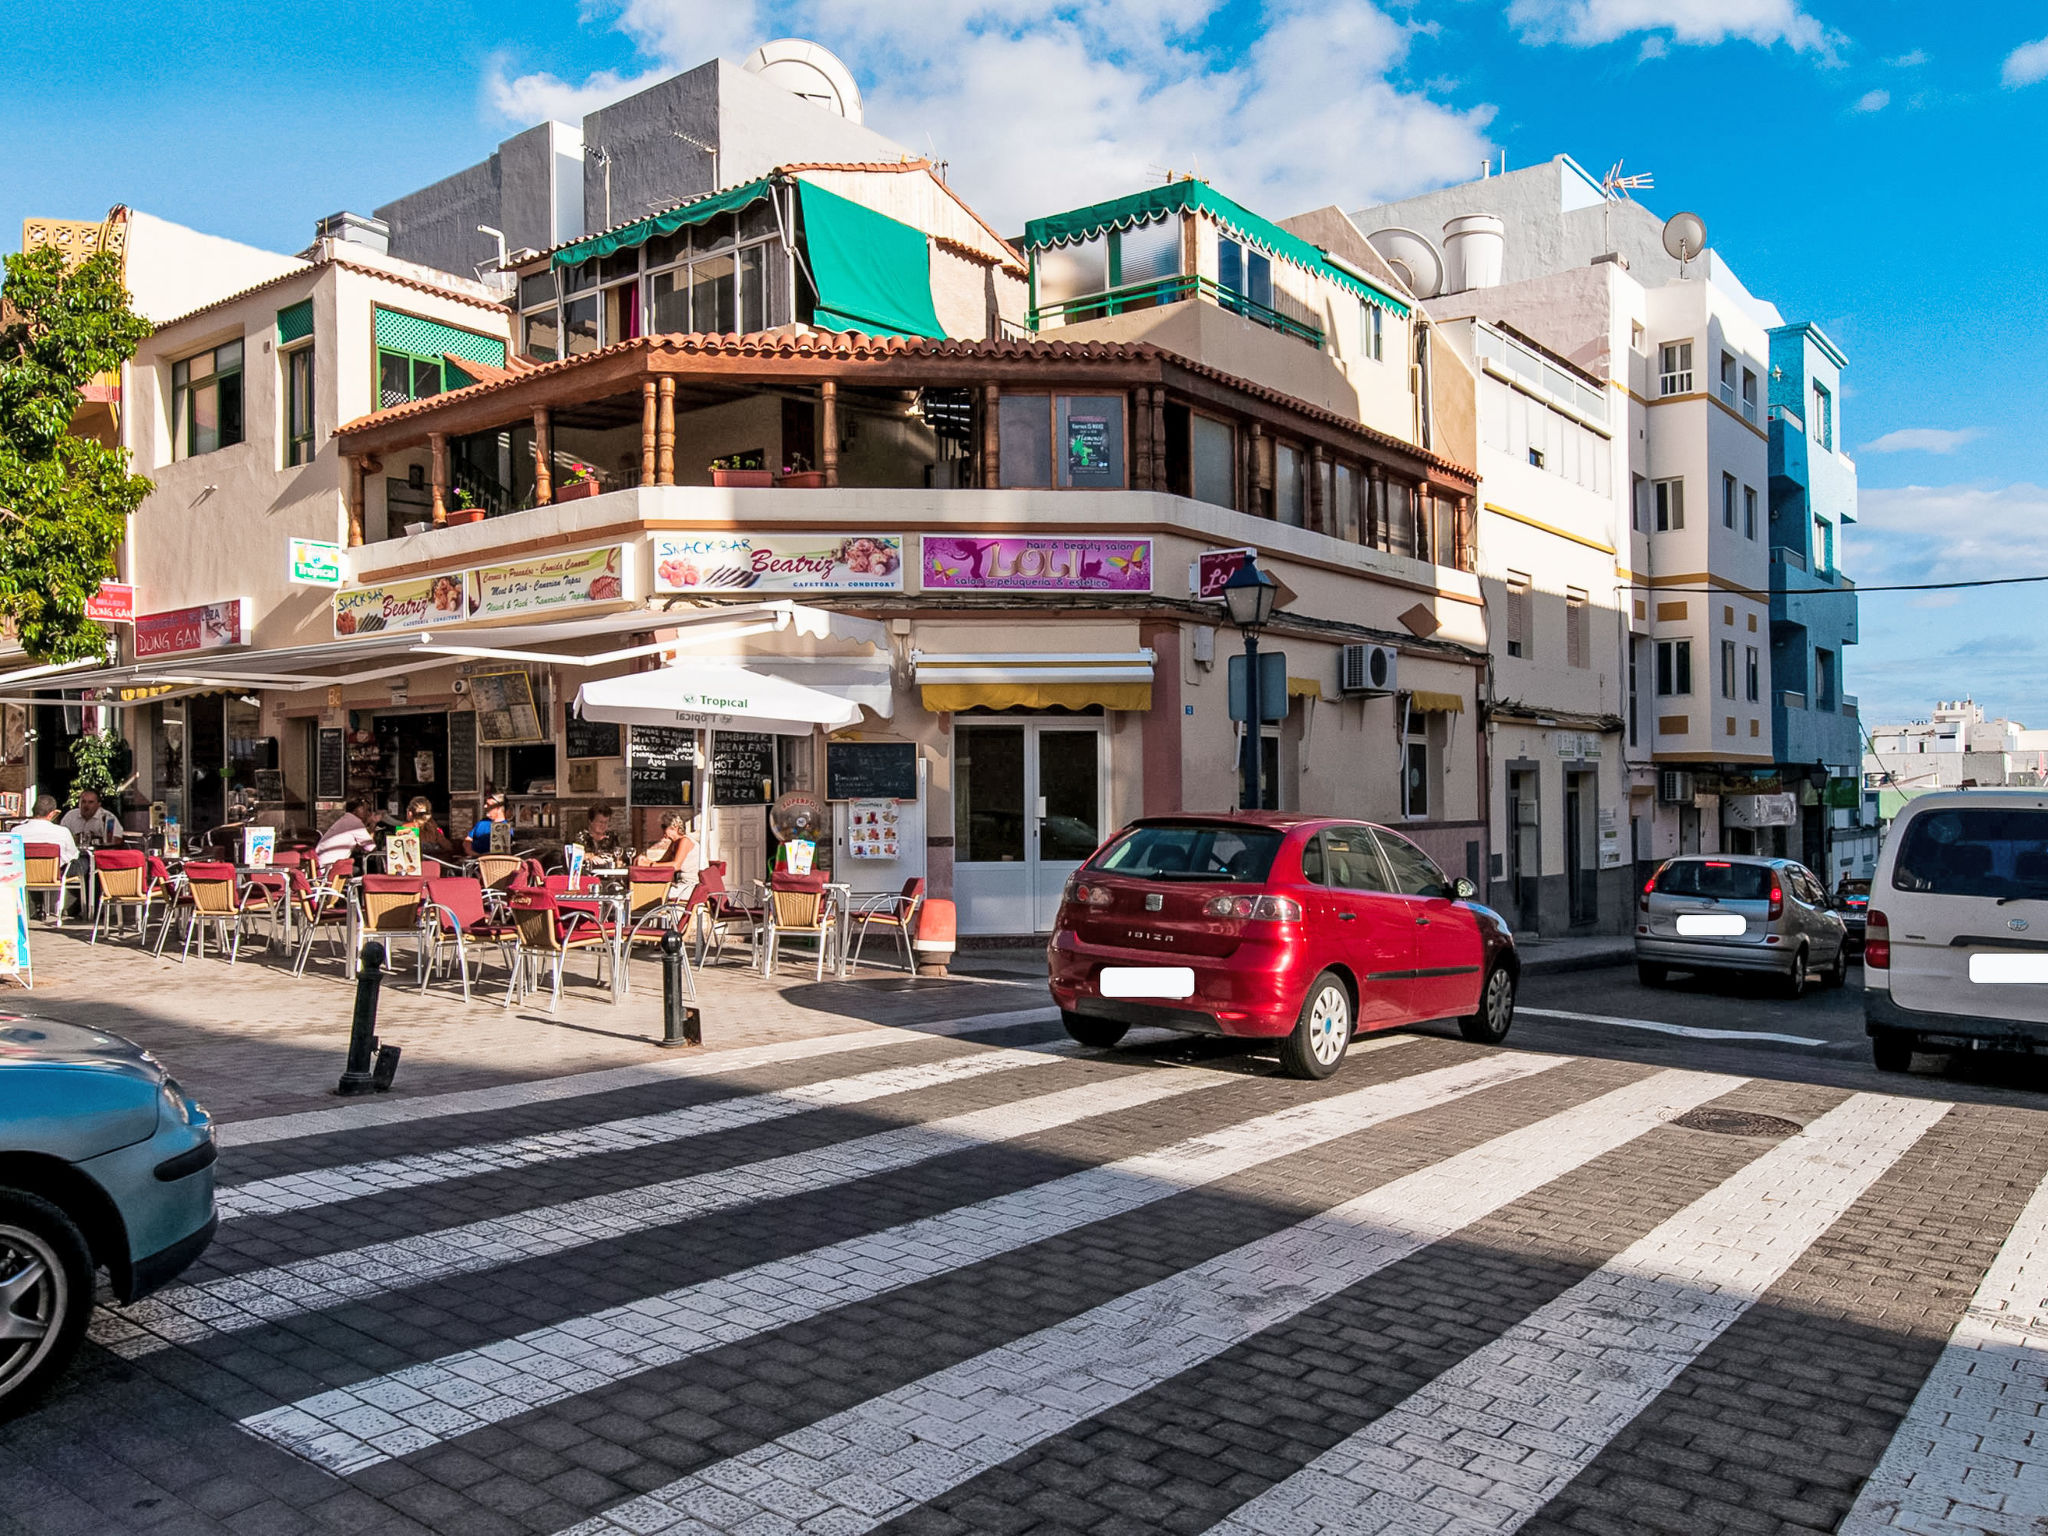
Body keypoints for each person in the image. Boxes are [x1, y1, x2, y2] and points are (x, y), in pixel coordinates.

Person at [395, 795, 463, 867]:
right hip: (434, 869)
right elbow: (448, 846)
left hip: (413, 869)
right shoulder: (434, 829)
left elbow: (397, 850)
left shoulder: (405, 829)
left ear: (410, 813)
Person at [314, 797, 377, 873]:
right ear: (355, 810)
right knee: (364, 869)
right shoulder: (354, 822)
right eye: (365, 809)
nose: (368, 813)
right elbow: (371, 847)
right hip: (329, 868)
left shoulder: (347, 819)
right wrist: (373, 823)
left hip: (321, 864)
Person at [10, 796, 78, 867]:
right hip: (54, 873)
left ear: (33, 810)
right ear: (52, 814)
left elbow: (11, 856)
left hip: (24, 873)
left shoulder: (16, 832)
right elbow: (73, 855)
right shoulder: (63, 832)